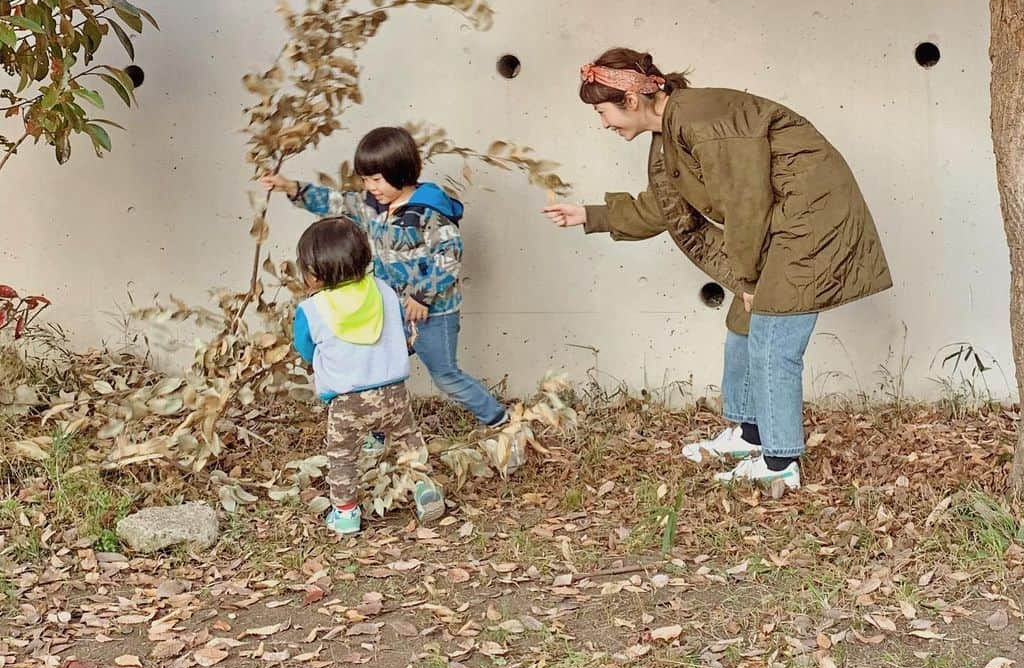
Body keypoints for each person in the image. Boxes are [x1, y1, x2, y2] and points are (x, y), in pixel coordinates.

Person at [543, 47, 892, 491]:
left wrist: (748, 279)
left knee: (773, 340)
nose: (603, 124)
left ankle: (780, 460)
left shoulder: (699, 123)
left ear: (631, 101)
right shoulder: (673, 130)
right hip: (784, 217)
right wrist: (590, 215)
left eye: (603, 112)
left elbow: (745, 204)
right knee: (743, 327)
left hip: (811, 216)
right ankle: (751, 435)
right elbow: (666, 205)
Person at [262, 126, 510, 430]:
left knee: (445, 375)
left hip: (432, 313)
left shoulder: (428, 211)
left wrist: (423, 295)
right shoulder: (371, 207)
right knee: (374, 373)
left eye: (376, 179)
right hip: (392, 310)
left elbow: (450, 254)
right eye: (365, 179)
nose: (370, 186)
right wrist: (292, 188)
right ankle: (375, 433)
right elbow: (335, 203)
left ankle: (497, 418)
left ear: (401, 170)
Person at [293, 215, 445, 535]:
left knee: (342, 456)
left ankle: (346, 513)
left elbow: (305, 348)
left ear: (317, 274)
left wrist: (321, 361)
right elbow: (399, 330)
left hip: (348, 402)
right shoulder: (384, 291)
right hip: (393, 392)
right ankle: (424, 487)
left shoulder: (311, 310)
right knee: (408, 440)